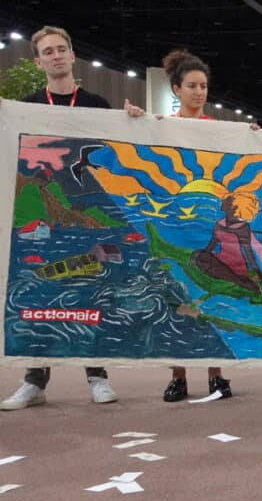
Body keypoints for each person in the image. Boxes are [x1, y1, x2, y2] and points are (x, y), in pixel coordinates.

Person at [1, 25, 122, 411]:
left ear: (72, 56)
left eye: (61, 49)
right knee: (38, 291)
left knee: (89, 288)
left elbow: (117, 152)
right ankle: (34, 382)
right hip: (38, 213)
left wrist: (133, 119)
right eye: (47, 51)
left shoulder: (97, 103)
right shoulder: (26, 106)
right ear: (38, 62)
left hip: (86, 209)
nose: (56, 56)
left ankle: (97, 376)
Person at [150, 49, 233, 402]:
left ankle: (216, 375)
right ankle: (178, 377)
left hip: (209, 223)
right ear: (176, 89)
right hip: (174, 223)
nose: (200, 92)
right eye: (192, 86)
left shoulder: (219, 130)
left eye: (204, 86)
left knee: (211, 296)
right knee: (176, 298)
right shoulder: (160, 126)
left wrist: (255, 135)